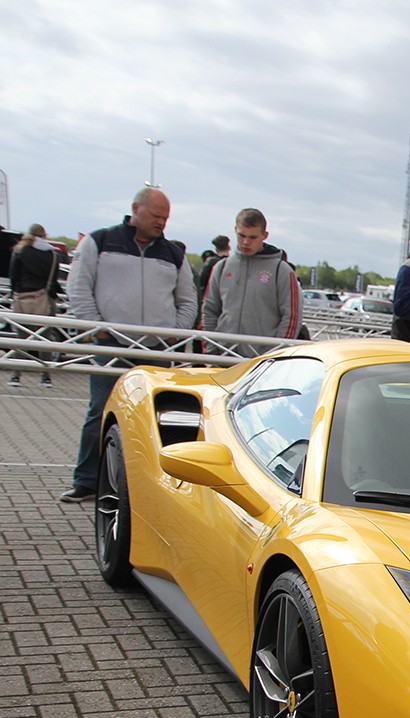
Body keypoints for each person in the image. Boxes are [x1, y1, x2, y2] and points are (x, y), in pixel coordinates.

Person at [61, 187, 197, 503]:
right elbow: (79, 288)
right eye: (155, 216)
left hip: (156, 352)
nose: (161, 222)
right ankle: (87, 481)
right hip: (111, 348)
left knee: (156, 418)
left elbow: (188, 300)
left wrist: (174, 334)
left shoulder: (174, 255)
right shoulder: (99, 242)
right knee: (100, 412)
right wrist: (100, 330)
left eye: (165, 217)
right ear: (136, 209)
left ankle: (153, 488)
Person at [200, 208, 298, 356]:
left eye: (253, 237)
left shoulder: (282, 271)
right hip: (222, 356)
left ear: (264, 235)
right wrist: (211, 350)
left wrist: (274, 356)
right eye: (241, 235)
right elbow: (209, 310)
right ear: (235, 230)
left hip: (262, 362)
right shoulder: (221, 268)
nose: (246, 242)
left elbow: (291, 317)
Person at [7, 223, 62, 387]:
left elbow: (13, 276)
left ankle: (16, 376)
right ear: (44, 235)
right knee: (44, 340)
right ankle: (46, 377)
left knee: (22, 340)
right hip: (45, 300)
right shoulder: (52, 254)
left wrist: (14, 292)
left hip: (24, 299)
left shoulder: (20, 251)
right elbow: (54, 280)